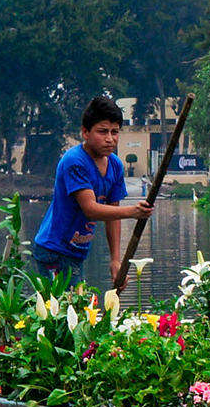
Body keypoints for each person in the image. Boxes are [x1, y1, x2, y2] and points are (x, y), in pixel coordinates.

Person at [33, 97, 154, 286]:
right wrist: (133, 212)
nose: (109, 138)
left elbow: (112, 215)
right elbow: (90, 208)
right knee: (66, 310)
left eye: (115, 132)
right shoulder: (74, 161)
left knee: (78, 308)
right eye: (102, 131)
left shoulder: (115, 165)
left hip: (77, 251)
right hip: (54, 251)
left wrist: (115, 261)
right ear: (85, 132)